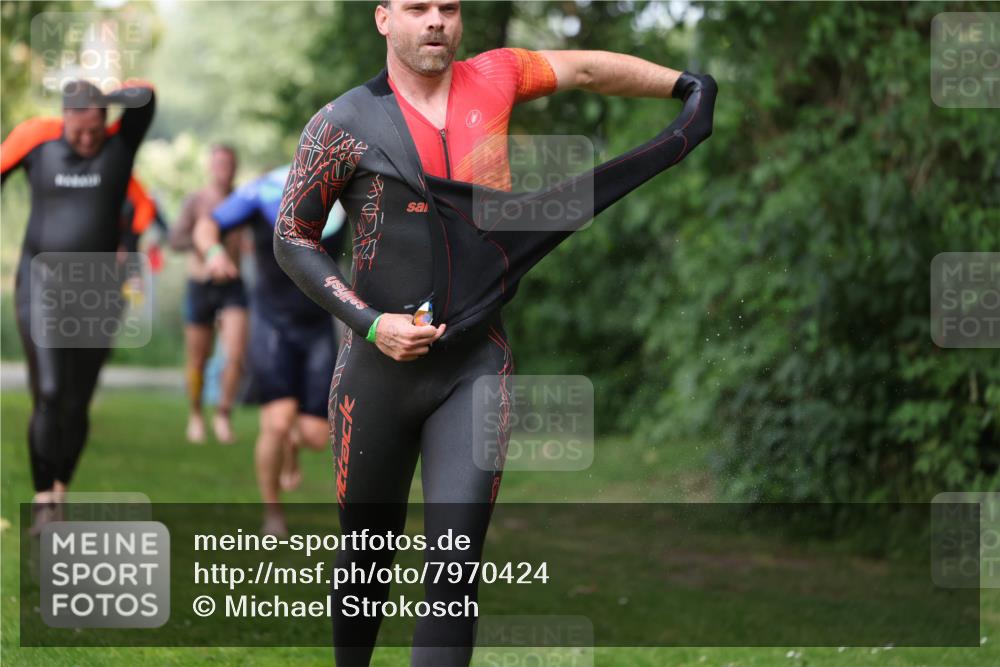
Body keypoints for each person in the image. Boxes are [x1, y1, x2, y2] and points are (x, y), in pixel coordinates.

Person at [273, 2, 715, 664]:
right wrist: (369, 325)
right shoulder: (343, 124)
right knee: (365, 555)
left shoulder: (499, 76)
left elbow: (589, 68)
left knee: (454, 565)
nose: (435, 22)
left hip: (475, 366)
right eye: (417, 8)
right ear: (383, 19)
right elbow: (293, 237)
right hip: (375, 375)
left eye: (447, 8)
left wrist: (685, 84)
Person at [0, 79, 156, 534]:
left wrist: (104, 96)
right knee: (49, 392)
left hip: (98, 291)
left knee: (77, 400)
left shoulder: (119, 145)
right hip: (41, 282)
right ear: (64, 115)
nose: (87, 140)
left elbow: (147, 94)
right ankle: (44, 497)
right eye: (78, 130)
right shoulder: (37, 138)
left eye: (95, 129)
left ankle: (61, 487)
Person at [194, 165, 348, 536]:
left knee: (313, 435)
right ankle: (273, 513)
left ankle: (292, 444)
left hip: (317, 325)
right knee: (276, 422)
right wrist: (214, 253)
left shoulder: (346, 192)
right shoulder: (263, 193)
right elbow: (207, 224)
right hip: (271, 322)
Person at [168, 144, 247, 444]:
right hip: (200, 284)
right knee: (197, 360)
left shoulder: (242, 200)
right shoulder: (196, 201)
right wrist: (207, 242)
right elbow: (175, 240)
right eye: (219, 163)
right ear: (210, 167)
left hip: (233, 285)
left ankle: (223, 415)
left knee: (235, 355)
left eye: (229, 163)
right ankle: (196, 414)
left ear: (235, 167)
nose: (224, 169)